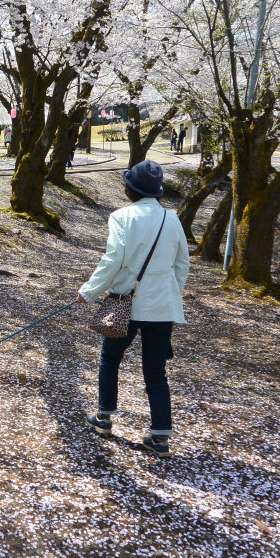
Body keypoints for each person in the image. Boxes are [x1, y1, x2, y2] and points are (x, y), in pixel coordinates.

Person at [77, 160, 189, 459]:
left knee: (110, 359)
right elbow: (182, 263)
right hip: (162, 306)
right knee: (156, 371)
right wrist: (172, 293)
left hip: (126, 301)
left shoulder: (121, 217)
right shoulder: (172, 219)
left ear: (130, 189)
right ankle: (160, 436)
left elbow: (113, 259)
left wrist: (89, 291)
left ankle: (104, 417)